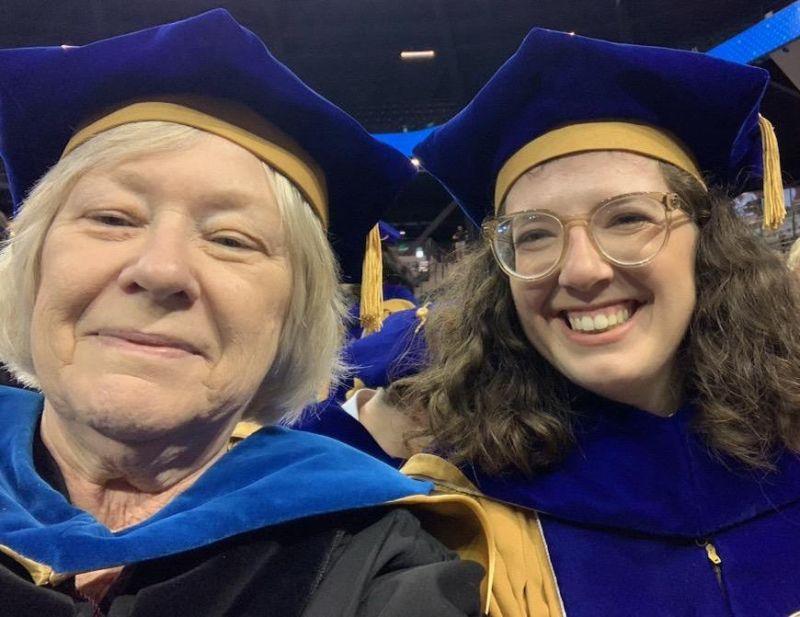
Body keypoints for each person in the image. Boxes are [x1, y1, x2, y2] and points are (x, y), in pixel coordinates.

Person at [0, 11, 487, 616]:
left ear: (294, 315)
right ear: (32, 266)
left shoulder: (373, 564)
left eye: (231, 239)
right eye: (112, 218)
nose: (160, 270)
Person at [394, 29, 800, 616]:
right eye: (533, 234)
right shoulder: (456, 528)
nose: (581, 271)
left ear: (706, 242)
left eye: (628, 218)